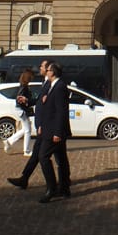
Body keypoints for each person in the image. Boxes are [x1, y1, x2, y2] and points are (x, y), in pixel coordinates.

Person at [7, 60, 53, 190]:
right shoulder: (45, 82)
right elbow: (40, 102)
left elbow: (50, 106)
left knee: (47, 157)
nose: (40, 68)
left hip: (47, 126)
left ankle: (56, 185)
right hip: (42, 125)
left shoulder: (51, 83)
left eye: (42, 66)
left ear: (49, 69)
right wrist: (28, 101)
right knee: (37, 156)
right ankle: (24, 178)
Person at [37, 62, 72, 203]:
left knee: (43, 157)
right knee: (61, 160)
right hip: (49, 128)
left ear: (53, 72)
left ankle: (51, 188)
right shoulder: (52, 86)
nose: (46, 71)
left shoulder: (60, 87)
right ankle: (64, 189)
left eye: (48, 70)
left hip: (54, 131)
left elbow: (61, 111)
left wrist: (57, 132)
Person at [3, 68, 35, 156]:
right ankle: (27, 150)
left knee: (25, 129)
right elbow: (20, 99)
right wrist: (26, 101)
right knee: (28, 130)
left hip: (20, 109)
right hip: (22, 110)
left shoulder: (22, 85)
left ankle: (9, 141)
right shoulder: (24, 87)